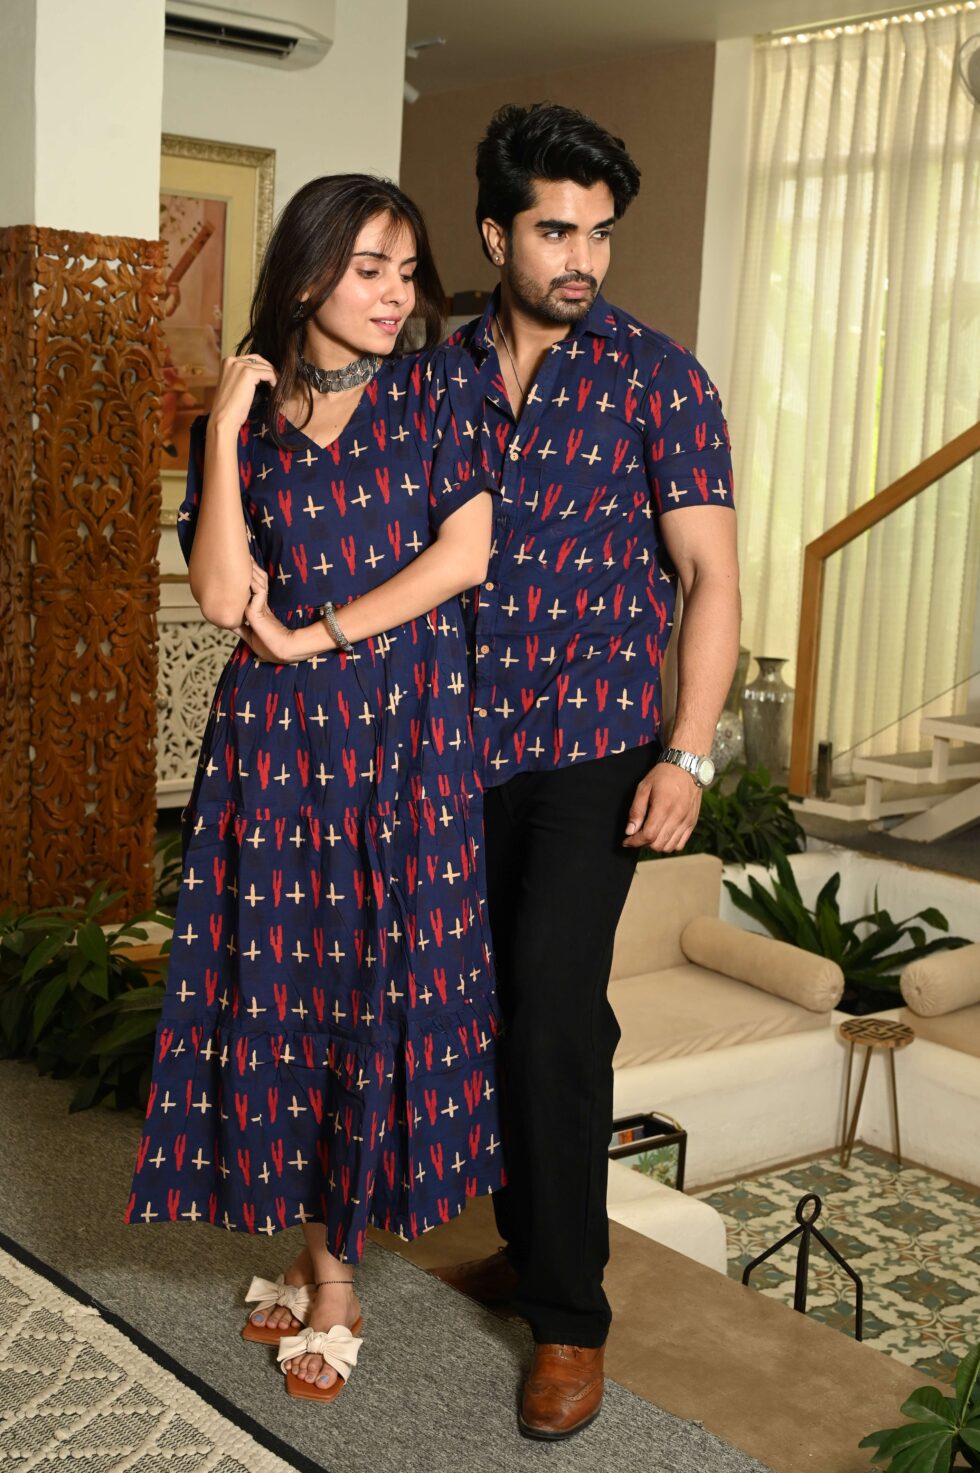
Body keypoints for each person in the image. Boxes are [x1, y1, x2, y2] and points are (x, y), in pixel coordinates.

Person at [125, 174, 504, 1403]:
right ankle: (319, 1257)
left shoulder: (437, 391)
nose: (397, 294)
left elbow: (465, 556)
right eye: (368, 269)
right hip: (278, 750)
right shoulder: (240, 420)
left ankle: (333, 1277)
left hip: (403, 734)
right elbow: (221, 597)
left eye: (407, 270)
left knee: (375, 984)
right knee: (284, 988)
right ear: (303, 278)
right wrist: (223, 439)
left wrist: (321, 633)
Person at [430, 104, 742, 1440]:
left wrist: (687, 749)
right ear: (494, 233)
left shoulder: (659, 379)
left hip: (592, 743)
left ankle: (569, 1318)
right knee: (486, 1002)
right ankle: (527, 1234)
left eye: (599, 233)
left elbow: (709, 576)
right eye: (556, 231)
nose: (582, 258)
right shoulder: (434, 375)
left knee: (556, 1008)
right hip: (452, 740)